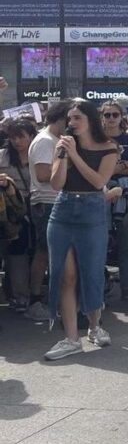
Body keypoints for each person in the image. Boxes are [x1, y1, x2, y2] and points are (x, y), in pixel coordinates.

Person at [44, 100, 119, 361]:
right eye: (70, 118)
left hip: (92, 209)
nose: (72, 123)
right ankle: (71, 338)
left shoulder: (108, 147)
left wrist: (75, 154)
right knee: (67, 276)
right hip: (63, 209)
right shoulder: (62, 145)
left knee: (91, 272)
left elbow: (99, 181)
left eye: (77, 118)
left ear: (90, 120)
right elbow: (56, 183)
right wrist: (64, 155)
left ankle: (95, 326)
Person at [26, 100, 70, 322]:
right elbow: (44, 175)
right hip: (46, 202)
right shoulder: (45, 141)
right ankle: (36, 300)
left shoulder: (54, 139)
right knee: (45, 253)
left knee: (52, 253)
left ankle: (52, 300)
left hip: (54, 201)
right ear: (62, 118)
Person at [100, 101, 128, 303]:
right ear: (101, 117)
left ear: (121, 117)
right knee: (100, 242)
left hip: (127, 196)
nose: (110, 118)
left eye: (114, 115)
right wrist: (120, 166)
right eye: (107, 115)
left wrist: (116, 168)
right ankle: (99, 288)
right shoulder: (95, 138)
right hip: (101, 193)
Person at [0, 119, 36, 314]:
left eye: (21, 136)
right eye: (13, 137)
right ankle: (18, 295)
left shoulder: (38, 153)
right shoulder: (3, 156)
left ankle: (28, 293)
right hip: (11, 212)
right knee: (15, 253)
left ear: (31, 136)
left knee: (33, 253)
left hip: (35, 207)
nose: (17, 141)